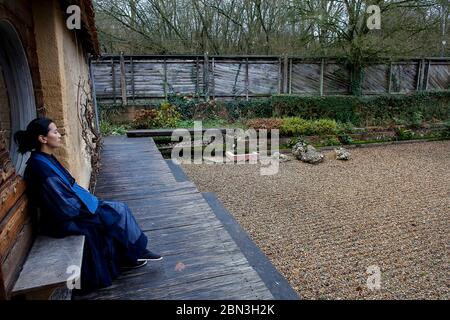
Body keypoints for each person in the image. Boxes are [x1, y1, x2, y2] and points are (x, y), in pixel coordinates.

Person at [14, 117, 162, 292]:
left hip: (71, 210)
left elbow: (69, 188)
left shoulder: (45, 159)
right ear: (42, 138)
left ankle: (133, 253)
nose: (60, 135)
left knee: (117, 209)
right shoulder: (39, 167)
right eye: (55, 132)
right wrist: (90, 209)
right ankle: (133, 254)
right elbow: (63, 205)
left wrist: (91, 202)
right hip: (62, 220)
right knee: (114, 213)